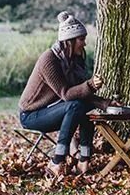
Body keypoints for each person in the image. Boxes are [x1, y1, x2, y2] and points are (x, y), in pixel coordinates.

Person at [19, 11, 111, 176]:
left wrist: (105, 103)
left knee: (83, 109)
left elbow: (80, 94)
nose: (84, 44)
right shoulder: (49, 60)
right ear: (70, 41)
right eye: (81, 39)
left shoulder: (73, 61)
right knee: (76, 106)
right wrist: (90, 85)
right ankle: (57, 161)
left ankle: (84, 161)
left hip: (54, 110)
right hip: (32, 115)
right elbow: (66, 94)